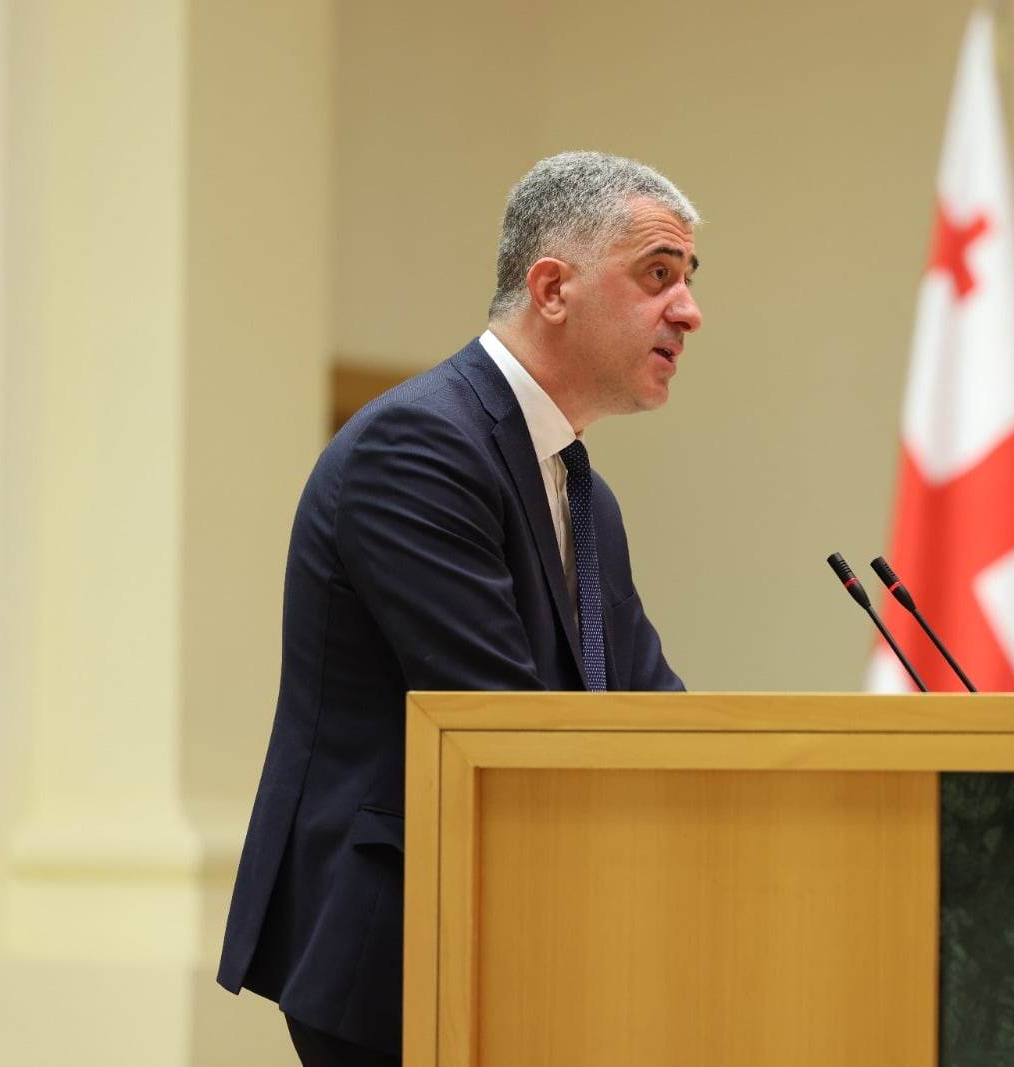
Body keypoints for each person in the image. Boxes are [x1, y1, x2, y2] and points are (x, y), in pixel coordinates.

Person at [216, 151, 702, 1066]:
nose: (688, 310)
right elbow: (502, 720)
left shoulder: (583, 491)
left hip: (518, 934)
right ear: (551, 289)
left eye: (688, 278)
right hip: (398, 947)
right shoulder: (421, 446)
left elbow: (647, 706)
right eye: (657, 274)